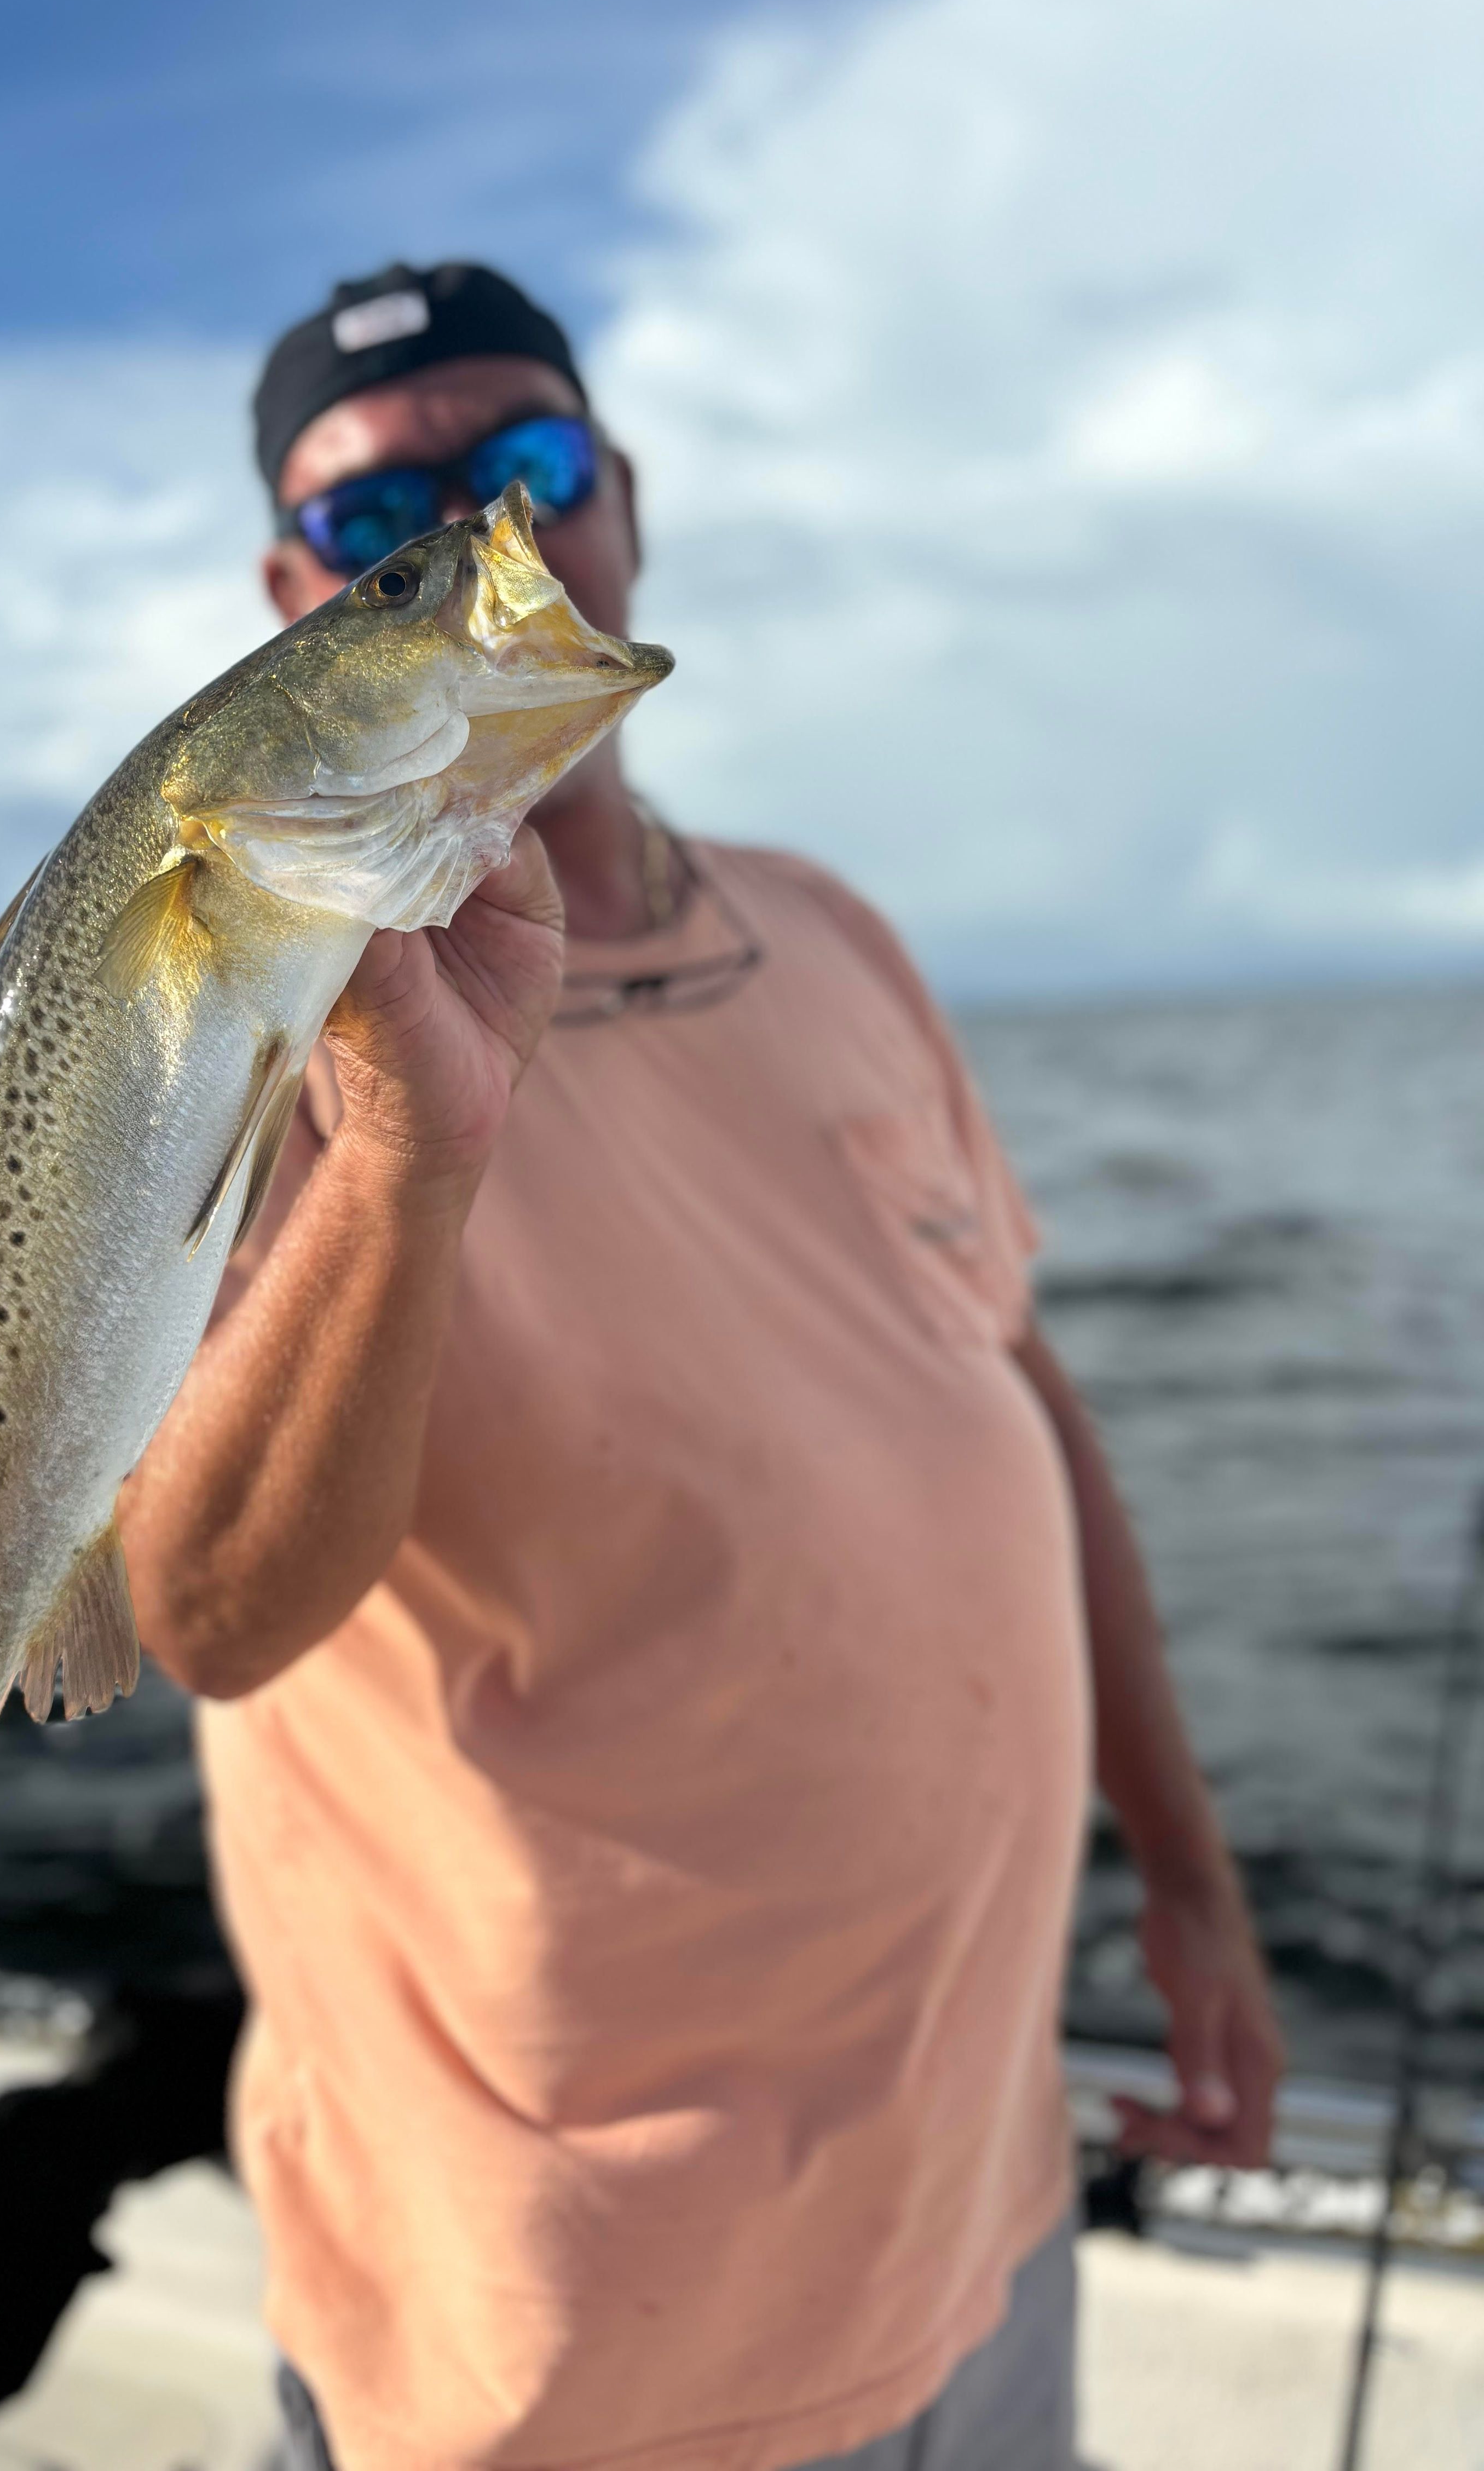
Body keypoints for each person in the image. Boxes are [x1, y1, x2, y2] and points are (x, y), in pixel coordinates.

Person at [114, 261, 1285, 2471]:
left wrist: (1193, 1876)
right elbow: (207, 1607)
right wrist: (407, 1150)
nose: (486, 546)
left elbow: (1018, 1393)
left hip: (980, 2194)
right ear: (292, 595)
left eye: (529, 470)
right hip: (572, 2341)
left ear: (623, 497)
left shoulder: (835, 928)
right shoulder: (244, 1032)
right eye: (388, 525)